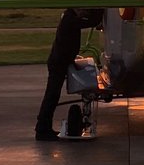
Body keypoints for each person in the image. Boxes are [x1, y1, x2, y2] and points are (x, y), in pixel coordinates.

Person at [35, 8, 103, 139]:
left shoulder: (69, 17)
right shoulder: (70, 19)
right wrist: (101, 11)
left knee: (52, 95)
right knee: (51, 96)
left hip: (60, 62)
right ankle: (42, 129)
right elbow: (90, 22)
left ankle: (43, 127)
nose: (84, 12)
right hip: (59, 63)